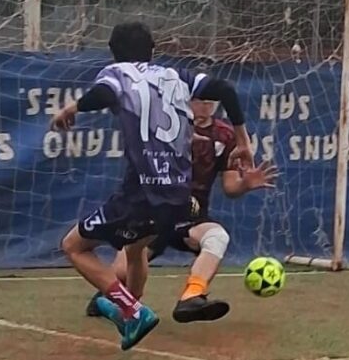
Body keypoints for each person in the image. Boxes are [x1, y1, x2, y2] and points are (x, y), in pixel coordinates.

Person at [52, 22, 253, 350]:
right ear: (153, 50)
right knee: (134, 250)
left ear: (114, 54)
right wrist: (243, 141)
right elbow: (226, 91)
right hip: (179, 195)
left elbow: (103, 94)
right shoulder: (177, 76)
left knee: (73, 246)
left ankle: (131, 310)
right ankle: (130, 312)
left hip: (141, 191)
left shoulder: (118, 73)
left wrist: (71, 108)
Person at [85, 98, 277, 324]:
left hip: (191, 219)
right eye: (199, 101)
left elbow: (230, 187)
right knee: (121, 273)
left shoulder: (224, 136)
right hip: (153, 214)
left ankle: (192, 296)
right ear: (186, 100)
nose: (205, 106)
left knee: (217, 237)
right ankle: (108, 298)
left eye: (211, 102)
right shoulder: (164, 127)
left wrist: (245, 184)